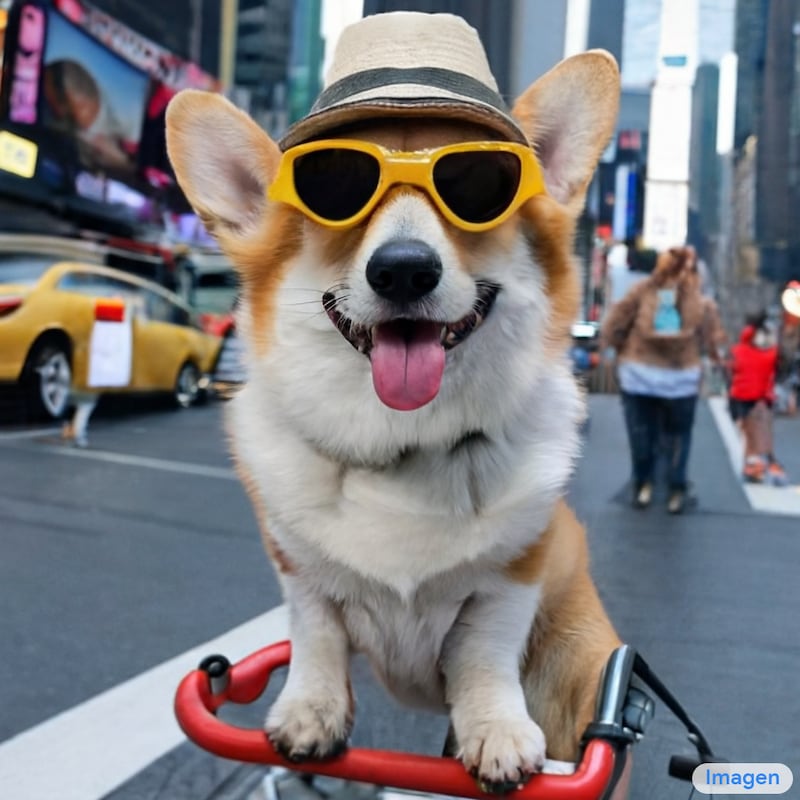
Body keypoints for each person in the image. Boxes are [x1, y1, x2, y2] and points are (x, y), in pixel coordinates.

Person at [600, 245, 727, 513]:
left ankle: (643, 485)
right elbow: (712, 339)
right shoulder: (700, 300)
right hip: (682, 376)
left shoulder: (643, 290)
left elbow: (615, 324)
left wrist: (616, 348)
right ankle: (676, 489)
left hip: (639, 373)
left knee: (641, 432)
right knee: (680, 434)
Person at [728, 312, 788, 485]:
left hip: (746, 398)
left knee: (751, 433)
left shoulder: (740, 351)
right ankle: (758, 464)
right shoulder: (764, 353)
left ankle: (754, 464)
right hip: (753, 398)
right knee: (755, 432)